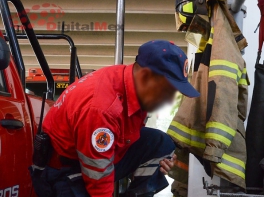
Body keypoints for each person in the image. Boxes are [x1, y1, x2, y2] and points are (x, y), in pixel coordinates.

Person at [31, 40, 200, 197]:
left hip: (94, 159)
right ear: (146, 77)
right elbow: (98, 178)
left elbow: (125, 137)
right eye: (168, 90)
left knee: (161, 145)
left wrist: (153, 163)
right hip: (65, 172)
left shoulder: (130, 82)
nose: (169, 99)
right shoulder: (102, 109)